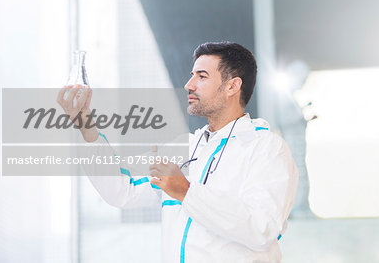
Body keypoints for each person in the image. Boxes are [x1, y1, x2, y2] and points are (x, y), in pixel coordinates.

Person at [57, 41, 298, 263]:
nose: (189, 84)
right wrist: (84, 123)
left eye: (201, 76)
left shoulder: (266, 148)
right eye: (192, 75)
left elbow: (262, 229)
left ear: (232, 86)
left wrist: (185, 190)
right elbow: (122, 191)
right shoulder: (185, 147)